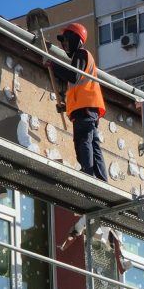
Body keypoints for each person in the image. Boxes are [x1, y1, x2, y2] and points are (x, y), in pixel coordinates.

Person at [50, 23, 108, 181]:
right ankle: (102, 179)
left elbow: (73, 76)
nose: (64, 44)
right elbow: (78, 89)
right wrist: (66, 106)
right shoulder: (82, 58)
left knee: (83, 140)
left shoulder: (81, 54)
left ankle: (87, 174)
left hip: (85, 109)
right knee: (93, 144)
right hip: (87, 108)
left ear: (76, 39)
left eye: (66, 40)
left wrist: (53, 65)